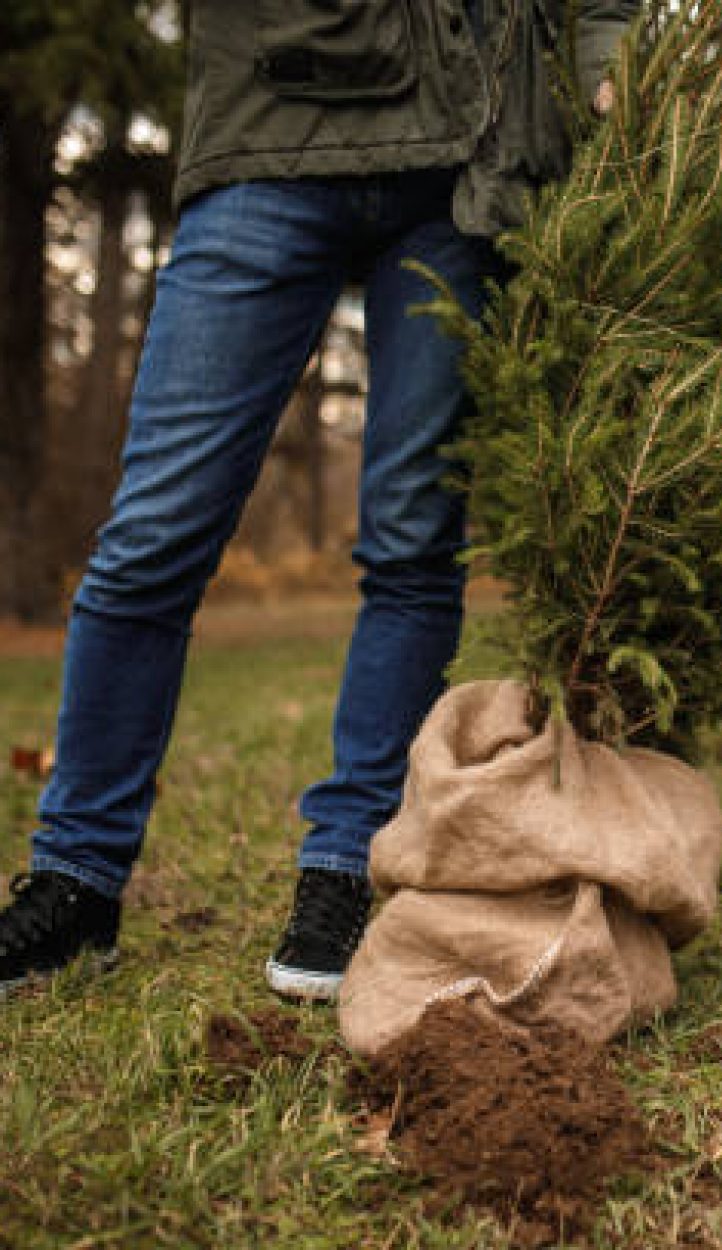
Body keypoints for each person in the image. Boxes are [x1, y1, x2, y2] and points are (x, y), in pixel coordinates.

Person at [0, 0, 634, 1003]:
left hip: (466, 162)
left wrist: (607, 61)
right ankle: (77, 878)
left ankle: (345, 862)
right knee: (154, 534)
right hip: (270, 130)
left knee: (416, 541)